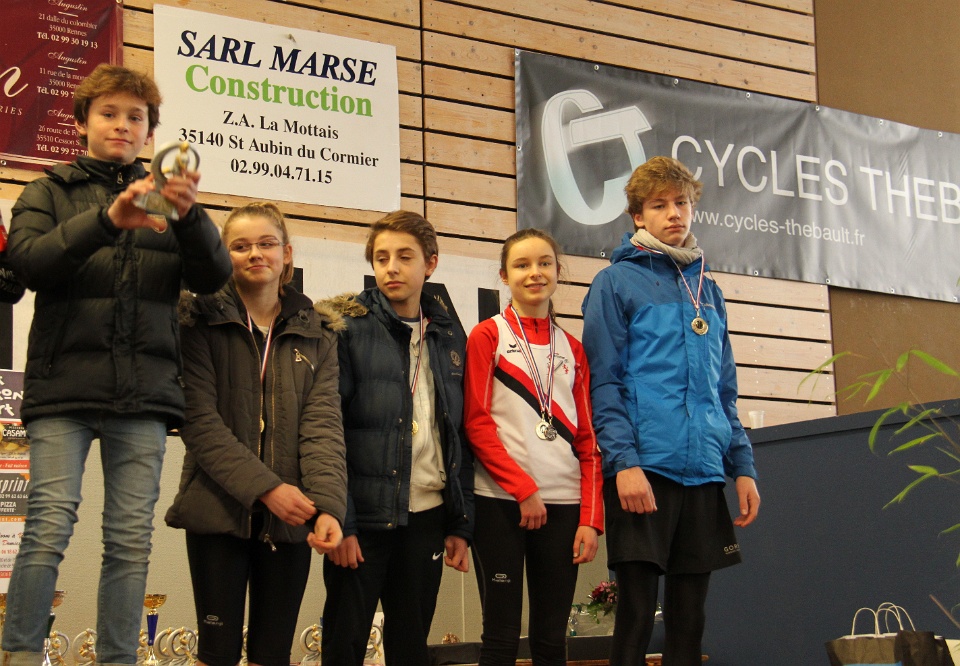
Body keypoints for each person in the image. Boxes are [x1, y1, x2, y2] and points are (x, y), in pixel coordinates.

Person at [2, 64, 231, 666]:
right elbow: (29, 265)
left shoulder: (169, 199)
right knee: (48, 526)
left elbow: (213, 279)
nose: (122, 125)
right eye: (108, 113)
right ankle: (20, 655)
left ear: (150, 133)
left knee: (129, 540)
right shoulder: (48, 190)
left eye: (136, 117)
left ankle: (118, 660)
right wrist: (107, 221)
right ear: (82, 123)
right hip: (63, 388)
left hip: (144, 393)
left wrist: (191, 216)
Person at [581, 156, 760, 666]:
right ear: (638, 216)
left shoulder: (709, 291)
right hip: (645, 468)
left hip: (703, 470)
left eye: (681, 202)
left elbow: (724, 391)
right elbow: (604, 383)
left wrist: (742, 466)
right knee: (637, 615)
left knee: (689, 620)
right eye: (659, 205)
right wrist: (624, 463)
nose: (674, 213)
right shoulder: (615, 283)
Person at [164, 202, 347, 666]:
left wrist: (328, 506)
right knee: (217, 654)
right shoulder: (198, 323)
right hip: (217, 511)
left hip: (290, 521)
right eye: (240, 246)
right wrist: (267, 489)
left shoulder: (319, 334)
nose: (255, 254)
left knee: (273, 654)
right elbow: (199, 423)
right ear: (224, 256)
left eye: (267, 243)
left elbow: (323, 428)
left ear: (287, 253)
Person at [320, 210, 474, 666]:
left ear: (431, 263)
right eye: (382, 257)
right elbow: (329, 433)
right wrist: (342, 521)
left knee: (410, 648)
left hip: (426, 518)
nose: (391, 268)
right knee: (343, 645)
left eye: (405, 257)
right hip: (363, 519)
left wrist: (460, 522)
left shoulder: (449, 333)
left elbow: (458, 433)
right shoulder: (346, 327)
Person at [464, 228, 603, 665]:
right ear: (504, 276)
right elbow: (476, 423)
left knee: (551, 638)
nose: (535, 273)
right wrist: (523, 489)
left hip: (564, 506)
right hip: (500, 502)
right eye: (522, 265)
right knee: (501, 636)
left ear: (558, 271)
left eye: (544, 263)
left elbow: (588, 441)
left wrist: (591, 519)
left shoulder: (573, 349)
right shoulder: (487, 336)